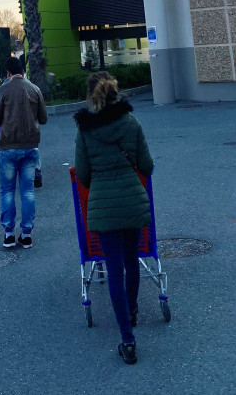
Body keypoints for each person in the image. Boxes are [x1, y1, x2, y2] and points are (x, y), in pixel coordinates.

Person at [73, 71, 154, 366]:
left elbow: (83, 175)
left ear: (91, 96)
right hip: (132, 202)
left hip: (103, 209)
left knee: (114, 271)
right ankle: (132, 310)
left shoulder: (85, 131)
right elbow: (146, 165)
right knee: (132, 260)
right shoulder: (131, 122)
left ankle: (128, 340)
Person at [0, 57, 47, 249]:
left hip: (8, 147)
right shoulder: (35, 89)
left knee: (7, 191)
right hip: (30, 147)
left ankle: (8, 234)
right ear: (23, 72)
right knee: (28, 191)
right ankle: (27, 234)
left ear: (8, 73)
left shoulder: (2, 90)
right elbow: (43, 118)